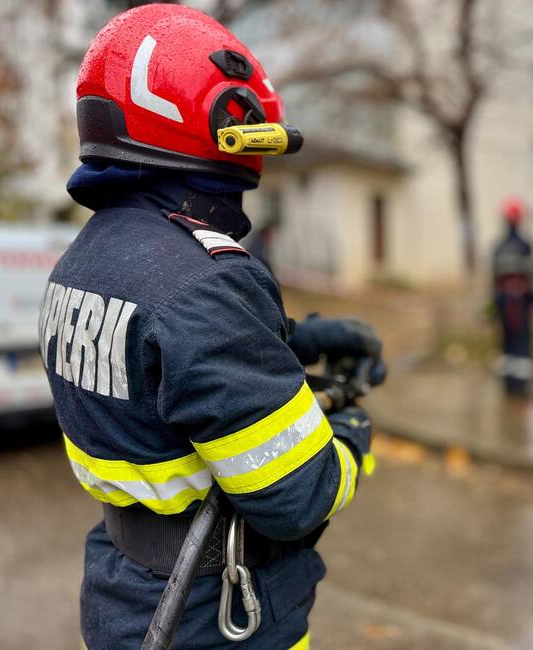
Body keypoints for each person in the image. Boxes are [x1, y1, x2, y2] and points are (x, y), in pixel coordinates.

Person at [38, 6, 382, 648]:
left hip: (123, 599)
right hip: (216, 621)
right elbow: (298, 497)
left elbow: (169, 368)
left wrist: (295, 341)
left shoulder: (84, 260)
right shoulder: (207, 283)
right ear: (223, 125)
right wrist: (352, 433)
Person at [492, 197, 533, 396]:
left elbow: (494, 280)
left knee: (506, 343)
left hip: (504, 303)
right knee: (522, 345)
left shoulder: (498, 247)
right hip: (522, 304)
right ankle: (521, 387)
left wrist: (495, 305)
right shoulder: (525, 246)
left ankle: (508, 386)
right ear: (520, 220)